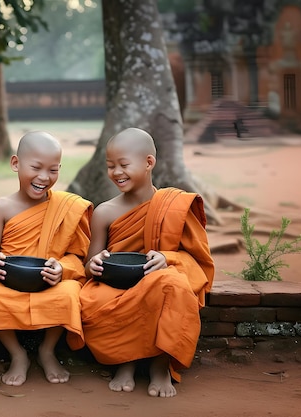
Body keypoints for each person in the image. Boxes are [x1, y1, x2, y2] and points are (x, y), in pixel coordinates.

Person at [67, 127, 215, 398]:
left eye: (124, 165)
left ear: (149, 163)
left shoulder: (174, 207)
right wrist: (95, 264)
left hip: (155, 282)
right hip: (113, 285)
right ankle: (124, 362)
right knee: (90, 301)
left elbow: (197, 260)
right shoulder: (104, 211)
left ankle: (160, 366)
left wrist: (166, 258)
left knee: (171, 284)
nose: (116, 172)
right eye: (110, 166)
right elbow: (89, 264)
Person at [0, 131, 93, 386]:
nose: (44, 177)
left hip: (49, 281)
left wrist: (61, 268)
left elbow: (77, 257)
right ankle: (17, 354)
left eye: (53, 170)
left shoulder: (66, 207)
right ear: (15, 164)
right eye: (36, 167)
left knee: (70, 292)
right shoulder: (1, 207)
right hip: (10, 281)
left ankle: (47, 350)